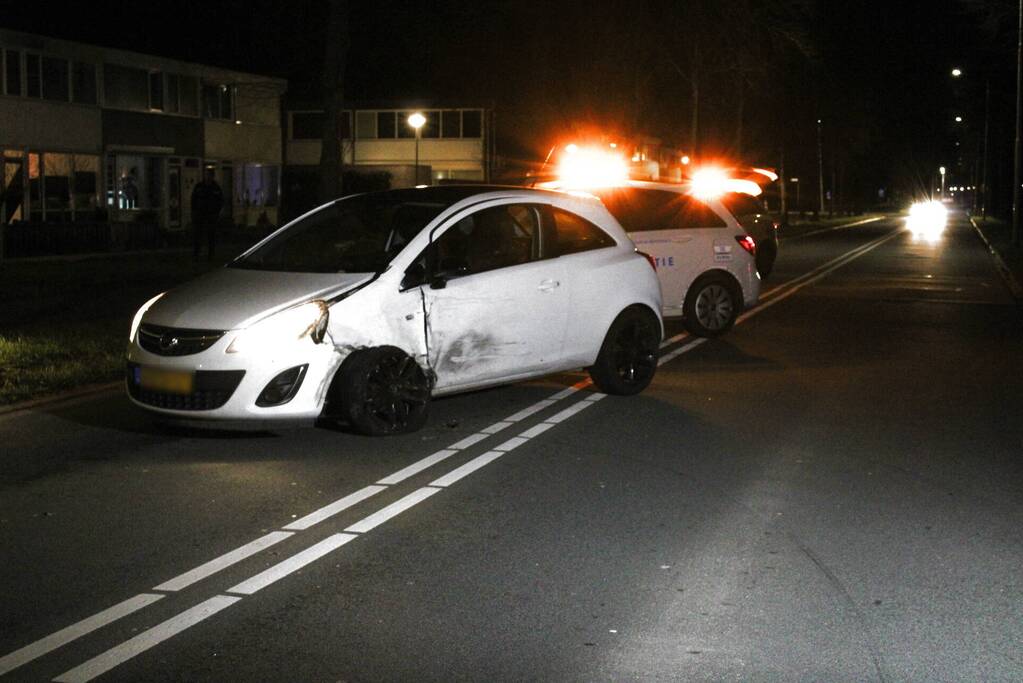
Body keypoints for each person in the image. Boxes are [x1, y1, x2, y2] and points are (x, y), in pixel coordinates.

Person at [191, 168, 224, 260]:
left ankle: (211, 253)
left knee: (211, 235)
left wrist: (216, 212)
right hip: (200, 214)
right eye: (206, 174)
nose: (207, 176)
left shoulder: (215, 187)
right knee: (198, 234)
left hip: (211, 215)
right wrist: (194, 211)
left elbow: (220, 201)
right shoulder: (199, 186)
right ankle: (196, 253)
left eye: (209, 175)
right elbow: (193, 199)